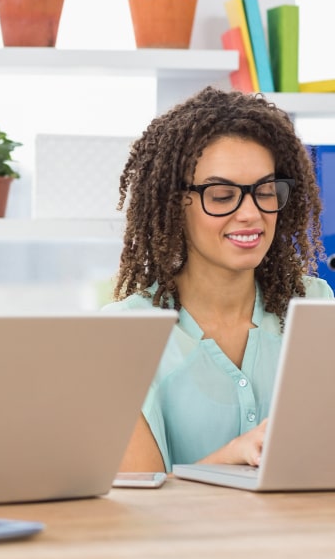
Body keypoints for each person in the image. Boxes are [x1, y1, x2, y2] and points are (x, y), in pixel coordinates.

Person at [104, 86, 332, 473]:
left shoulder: (315, 304)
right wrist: (229, 458)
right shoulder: (122, 334)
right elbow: (139, 508)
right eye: (223, 196)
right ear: (175, 204)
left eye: (265, 191)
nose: (250, 214)